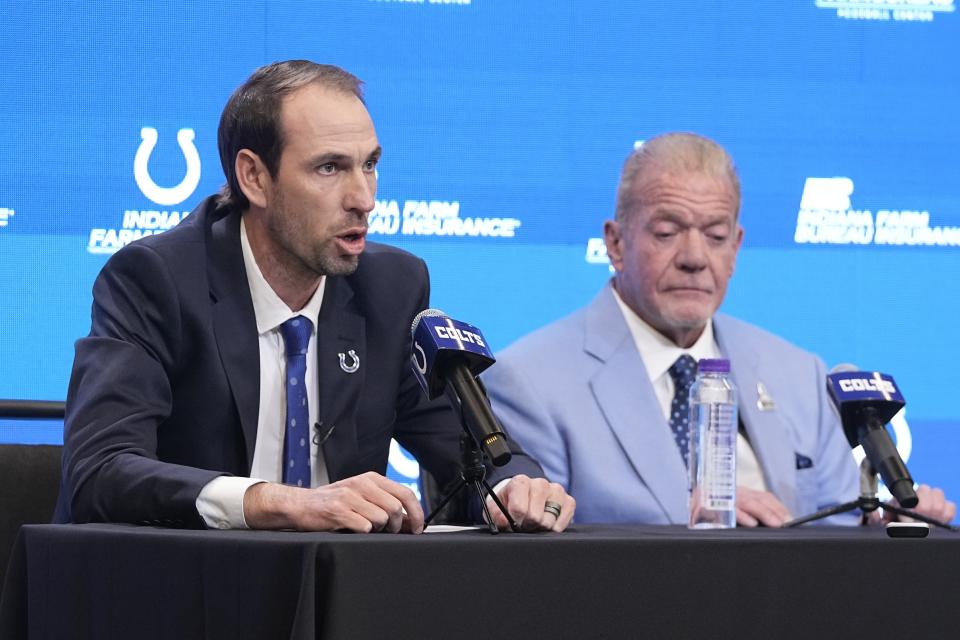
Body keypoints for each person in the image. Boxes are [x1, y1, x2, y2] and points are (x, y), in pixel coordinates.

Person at [54, 60, 575, 533]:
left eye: (369, 164)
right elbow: (100, 472)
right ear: (254, 178)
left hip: (336, 596)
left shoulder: (392, 289)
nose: (364, 199)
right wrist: (274, 503)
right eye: (330, 168)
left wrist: (513, 492)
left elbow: (471, 458)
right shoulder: (157, 279)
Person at [484, 132, 954, 527]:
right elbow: (539, 553)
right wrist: (689, 528)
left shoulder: (798, 374)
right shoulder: (530, 381)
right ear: (616, 243)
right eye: (667, 232)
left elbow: (836, 533)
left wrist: (878, 535)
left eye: (715, 235)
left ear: (736, 247)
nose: (694, 257)